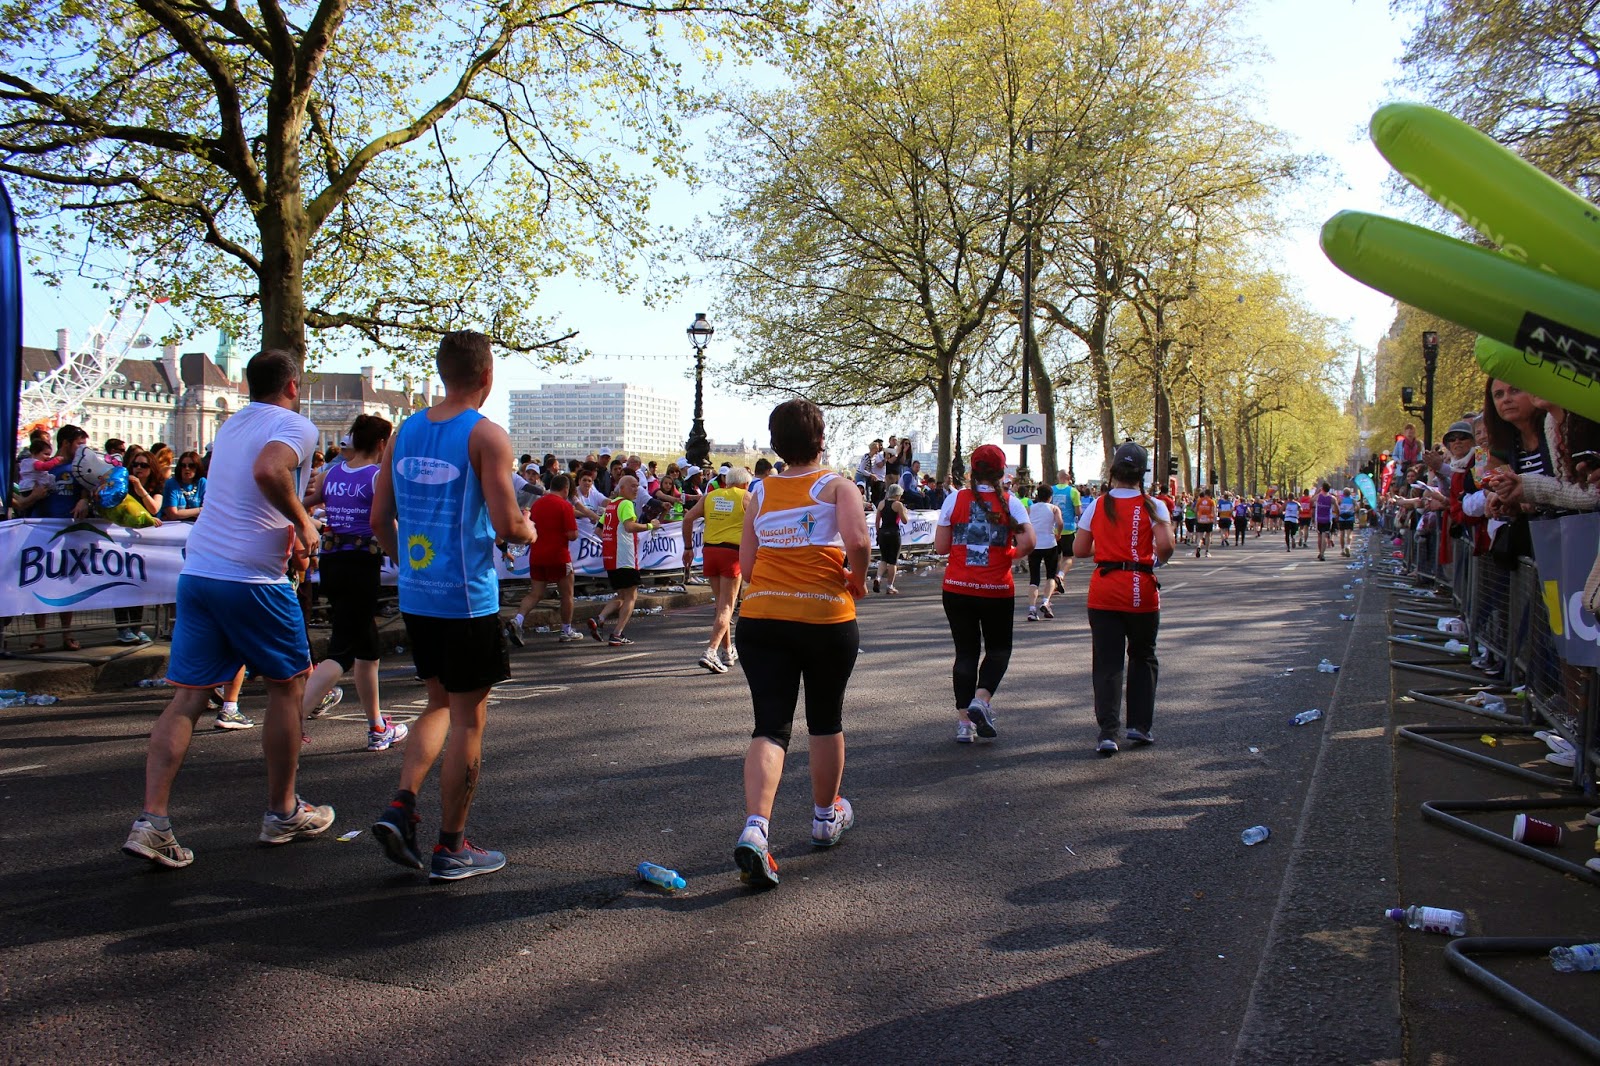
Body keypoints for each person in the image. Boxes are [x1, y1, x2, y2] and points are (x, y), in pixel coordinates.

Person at [122, 350, 329, 870]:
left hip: (200, 572)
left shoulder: (232, 424)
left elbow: (243, 488)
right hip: (252, 579)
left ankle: (153, 822)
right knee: (288, 687)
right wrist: (303, 521)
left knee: (188, 698)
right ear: (294, 385)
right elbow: (268, 470)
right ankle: (283, 812)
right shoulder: (296, 425)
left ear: (246, 384)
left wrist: (287, 526)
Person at [368, 331, 535, 882]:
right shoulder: (486, 435)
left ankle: (402, 802)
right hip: (466, 599)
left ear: (443, 373)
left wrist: (413, 567)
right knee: (468, 719)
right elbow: (509, 522)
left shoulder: (404, 432)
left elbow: (379, 522)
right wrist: (528, 530)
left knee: (437, 703)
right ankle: (451, 846)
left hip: (419, 595)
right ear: (487, 377)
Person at [732, 399, 869, 889]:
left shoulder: (759, 492)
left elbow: (747, 568)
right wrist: (857, 577)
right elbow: (858, 541)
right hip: (824, 616)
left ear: (776, 444)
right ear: (821, 440)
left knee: (769, 725)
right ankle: (823, 817)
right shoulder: (837, 486)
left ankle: (756, 828)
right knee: (825, 717)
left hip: (763, 616)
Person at [300, 414, 408, 752]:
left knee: (368, 649)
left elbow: (301, 505)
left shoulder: (332, 475)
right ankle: (292, 723)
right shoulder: (377, 477)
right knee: (342, 651)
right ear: (381, 444)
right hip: (362, 563)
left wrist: (309, 528)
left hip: (333, 563)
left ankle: (377, 726)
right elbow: (391, 517)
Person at [1072, 443, 1174, 756]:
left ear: (1113, 470)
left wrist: (1106, 550)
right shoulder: (1154, 505)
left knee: (1107, 662)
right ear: (1142, 474)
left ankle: (1107, 732)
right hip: (1140, 588)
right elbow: (1166, 545)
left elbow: (1078, 549)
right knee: (1143, 655)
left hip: (1104, 589)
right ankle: (1140, 727)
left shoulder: (1099, 505)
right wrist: (1151, 561)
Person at [934, 444, 1035, 743]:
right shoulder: (1010, 503)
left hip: (958, 587)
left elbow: (941, 547)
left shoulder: (954, 499)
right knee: (999, 650)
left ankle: (965, 723)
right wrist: (1011, 555)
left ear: (972, 471)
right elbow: (1030, 541)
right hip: (996, 588)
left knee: (965, 653)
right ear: (1002, 473)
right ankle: (982, 698)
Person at [682, 466, 750, 672]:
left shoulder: (709, 496)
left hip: (710, 551)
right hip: (731, 553)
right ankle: (710, 651)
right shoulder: (746, 496)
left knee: (721, 605)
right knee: (727, 607)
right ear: (745, 484)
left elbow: (687, 519)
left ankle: (727, 652)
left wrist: (688, 548)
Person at [587, 473, 662, 647]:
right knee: (631, 596)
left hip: (611, 557)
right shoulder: (626, 504)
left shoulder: (612, 506)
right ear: (622, 489)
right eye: (632, 486)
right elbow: (629, 527)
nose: (636, 489)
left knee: (621, 595)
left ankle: (599, 619)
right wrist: (651, 525)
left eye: (637, 485)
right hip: (625, 557)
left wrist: (611, 540)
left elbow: (598, 530)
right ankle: (617, 633)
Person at [509, 472, 581, 645]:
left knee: (535, 593)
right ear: (566, 488)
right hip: (559, 556)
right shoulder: (565, 506)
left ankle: (518, 620)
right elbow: (572, 535)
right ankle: (566, 630)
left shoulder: (537, 504)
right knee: (567, 594)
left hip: (537, 556)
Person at [1026, 483, 1063, 622]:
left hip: (1034, 544)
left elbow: (1024, 524)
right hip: (1050, 544)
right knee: (1051, 576)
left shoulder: (1030, 508)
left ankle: (1031, 609)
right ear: (1050, 497)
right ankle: (1046, 601)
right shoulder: (1054, 508)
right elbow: (1060, 523)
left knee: (1034, 579)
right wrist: (1058, 534)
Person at [874, 483, 910, 595]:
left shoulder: (881, 504)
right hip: (894, 533)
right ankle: (890, 586)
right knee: (893, 561)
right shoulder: (898, 504)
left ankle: (878, 577)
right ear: (897, 494)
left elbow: (877, 521)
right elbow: (905, 521)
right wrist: (904, 511)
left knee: (884, 558)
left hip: (883, 532)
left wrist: (878, 532)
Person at [1050, 471, 1082, 585]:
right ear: (1068, 478)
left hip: (1053, 528)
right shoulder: (1073, 492)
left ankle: (1054, 583)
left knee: (1056, 557)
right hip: (1068, 528)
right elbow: (1078, 512)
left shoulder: (1051, 490)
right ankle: (1061, 575)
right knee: (1068, 557)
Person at [161, 450, 206, 521]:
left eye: (191, 466)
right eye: (183, 465)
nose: (187, 468)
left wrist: (182, 513)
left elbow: (209, 510)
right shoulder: (171, 483)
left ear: (197, 467)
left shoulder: (202, 482)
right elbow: (173, 514)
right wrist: (200, 510)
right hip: (173, 526)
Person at [1312, 482, 1337, 560]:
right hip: (1327, 519)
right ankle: (1322, 553)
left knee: (1319, 536)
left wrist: (1317, 492)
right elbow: (1337, 508)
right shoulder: (1332, 498)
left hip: (1319, 519)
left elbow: (1311, 500)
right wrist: (1337, 516)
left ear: (1322, 488)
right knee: (1325, 536)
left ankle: (1320, 552)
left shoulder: (1318, 496)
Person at [1193, 488, 1215, 558]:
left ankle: (1199, 546)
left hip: (1200, 520)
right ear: (1210, 494)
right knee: (1208, 536)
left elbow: (1195, 510)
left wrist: (1198, 516)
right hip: (1209, 520)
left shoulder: (1199, 501)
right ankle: (1207, 551)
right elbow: (1214, 511)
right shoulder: (1211, 501)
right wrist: (1215, 520)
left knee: (1200, 536)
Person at [1336, 486, 1357, 557]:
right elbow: (1358, 508)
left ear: (1344, 494)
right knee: (1349, 534)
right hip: (1350, 518)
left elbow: (1336, 506)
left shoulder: (1340, 500)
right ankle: (1348, 546)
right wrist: (1354, 512)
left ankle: (1342, 550)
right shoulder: (1353, 500)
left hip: (1342, 518)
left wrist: (1338, 513)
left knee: (1342, 534)